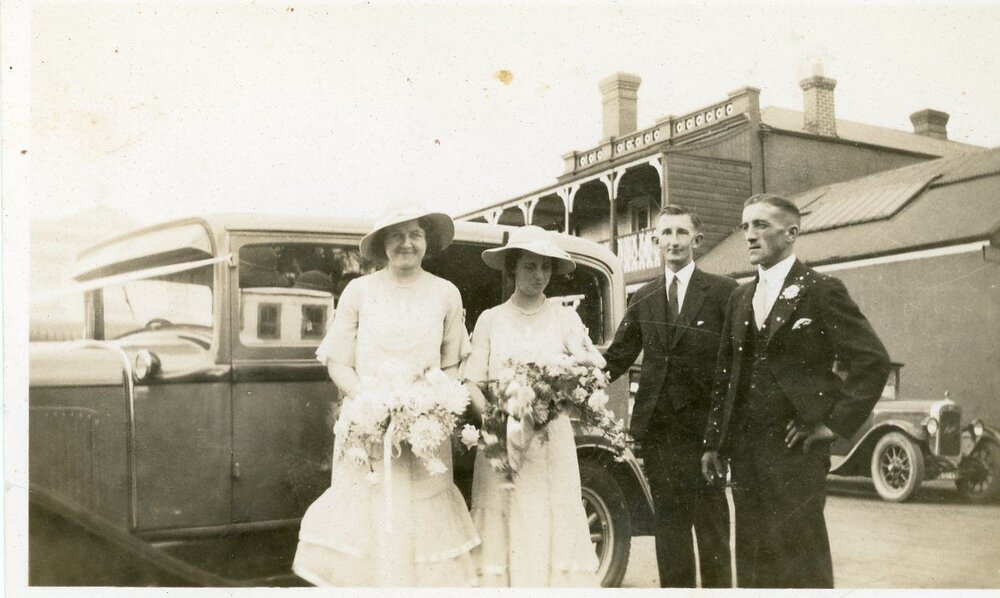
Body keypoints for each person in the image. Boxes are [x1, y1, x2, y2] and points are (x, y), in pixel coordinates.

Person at [701, 194, 891, 588]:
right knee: (752, 556)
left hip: (796, 451)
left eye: (761, 226)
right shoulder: (739, 298)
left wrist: (832, 425)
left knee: (800, 556)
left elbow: (872, 360)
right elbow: (727, 375)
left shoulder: (821, 290)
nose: (750, 236)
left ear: (791, 233)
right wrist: (714, 443)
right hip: (745, 450)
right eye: (745, 226)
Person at [292, 206, 480, 587]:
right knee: (368, 516)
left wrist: (431, 405)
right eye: (396, 235)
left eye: (415, 234)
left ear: (427, 242)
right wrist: (371, 403)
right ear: (382, 244)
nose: (406, 243)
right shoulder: (358, 291)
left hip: (425, 432)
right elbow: (339, 364)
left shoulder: (446, 293)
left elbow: (450, 364)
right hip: (367, 428)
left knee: (421, 523)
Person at [603, 205, 735, 588]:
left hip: (704, 435)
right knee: (670, 531)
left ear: (697, 239)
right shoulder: (644, 296)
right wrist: (568, 381)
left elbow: (734, 362)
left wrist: (722, 434)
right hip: (659, 433)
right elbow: (617, 357)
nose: (674, 241)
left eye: (681, 232)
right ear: (655, 240)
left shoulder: (723, 292)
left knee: (711, 530)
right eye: (666, 233)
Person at [464, 225, 601, 587]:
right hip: (500, 445)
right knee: (502, 524)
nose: (538, 275)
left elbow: (591, 367)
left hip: (549, 446)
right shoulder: (490, 319)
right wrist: (494, 421)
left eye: (545, 267)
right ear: (512, 268)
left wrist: (564, 388)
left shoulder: (565, 318)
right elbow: (472, 382)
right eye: (529, 266)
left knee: (549, 522)